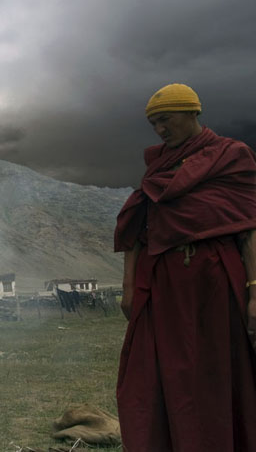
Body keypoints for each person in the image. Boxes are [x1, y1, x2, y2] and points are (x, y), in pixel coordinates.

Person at [114, 83, 256, 451]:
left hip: (218, 280)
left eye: (166, 120)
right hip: (165, 286)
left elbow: (248, 229)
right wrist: (129, 288)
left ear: (192, 112)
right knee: (163, 375)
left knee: (218, 369)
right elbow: (138, 231)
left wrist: (255, 290)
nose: (161, 130)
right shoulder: (157, 168)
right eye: (154, 124)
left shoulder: (232, 156)